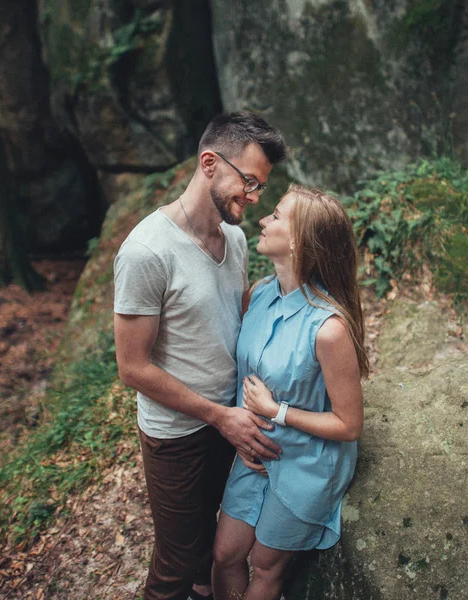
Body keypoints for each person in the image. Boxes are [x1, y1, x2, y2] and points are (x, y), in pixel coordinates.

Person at [113, 111, 286, 600]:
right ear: (210, 163)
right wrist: (218, 416)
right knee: (174, 566)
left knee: (207, 551)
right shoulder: (147, 252)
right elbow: (133, 367)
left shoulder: (233, 238)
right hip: (178, 436)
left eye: (260, 188)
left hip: (228, 420)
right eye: (248, 181)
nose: (253, 198)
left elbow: (224, 323)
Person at [212, 184, 369, 600]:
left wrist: (275, 411)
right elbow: (242, 380)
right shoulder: (259, 295)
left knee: (264, 564)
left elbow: (349, 424)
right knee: (225, 553)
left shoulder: (329, 328)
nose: (263, 219)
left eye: (276, 216)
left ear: (300, 241)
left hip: (307, 463)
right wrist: (244, 431)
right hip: (256, 451)